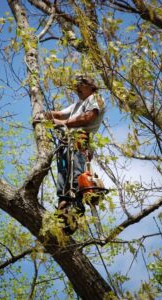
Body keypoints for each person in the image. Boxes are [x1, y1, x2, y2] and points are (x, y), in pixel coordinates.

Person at [35, 75, 105, 234]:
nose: (77, 89)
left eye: (80, 85)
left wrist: (64, 124)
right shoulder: (77, 105)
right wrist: (43, 115)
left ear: (90, 86)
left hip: (80, 141)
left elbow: (88, 117)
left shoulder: (96, 99)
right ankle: (64, 204)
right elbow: (59, 114)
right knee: (63, 174)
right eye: (75, 86)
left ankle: (75, 201)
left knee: (75, 173)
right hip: (67, 143)